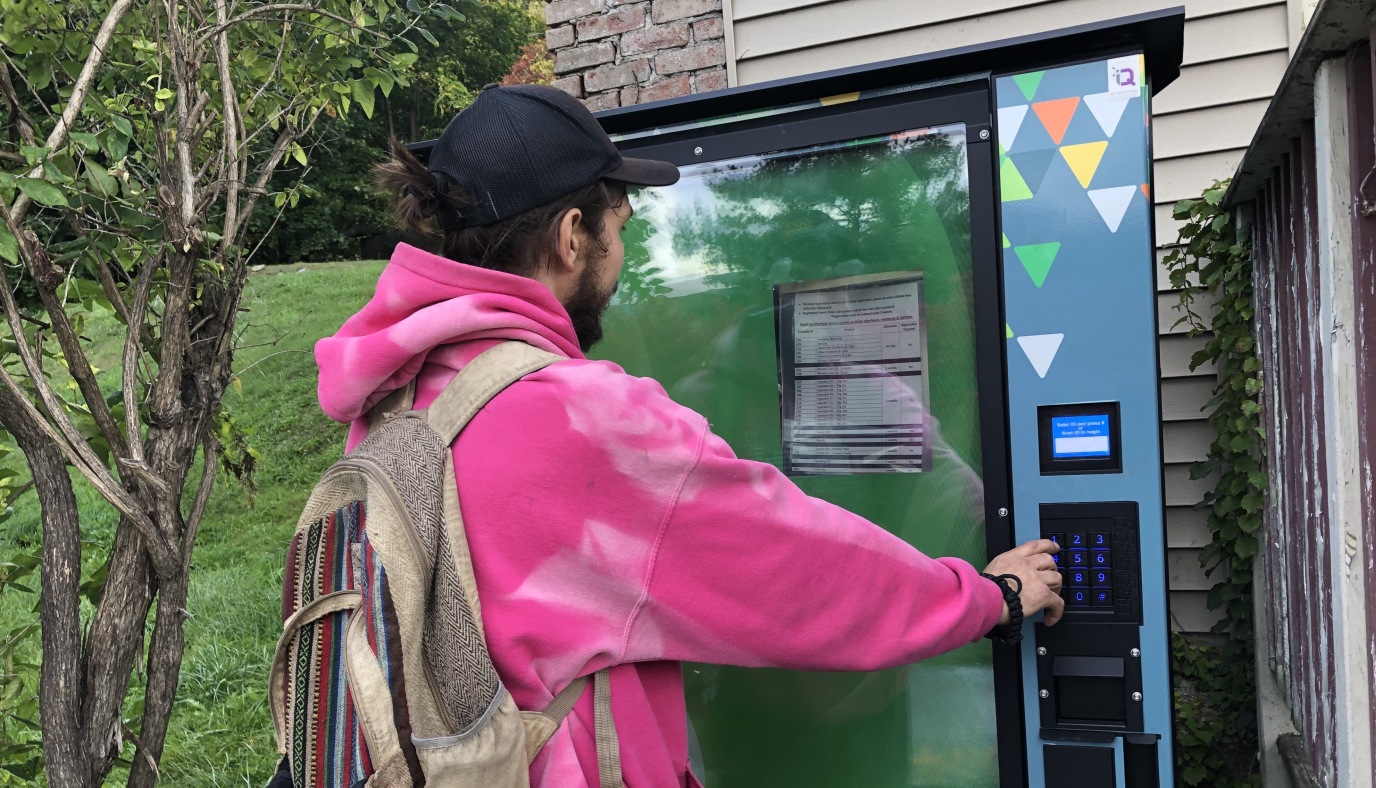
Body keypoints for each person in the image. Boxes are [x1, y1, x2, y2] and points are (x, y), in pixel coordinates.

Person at [314, 83, 1064, 788]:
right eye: (619, 229)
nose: (622, 256)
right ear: (574, 236)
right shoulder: (581, 420)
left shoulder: (399, 392)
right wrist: (990, 595)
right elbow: (800, 569)